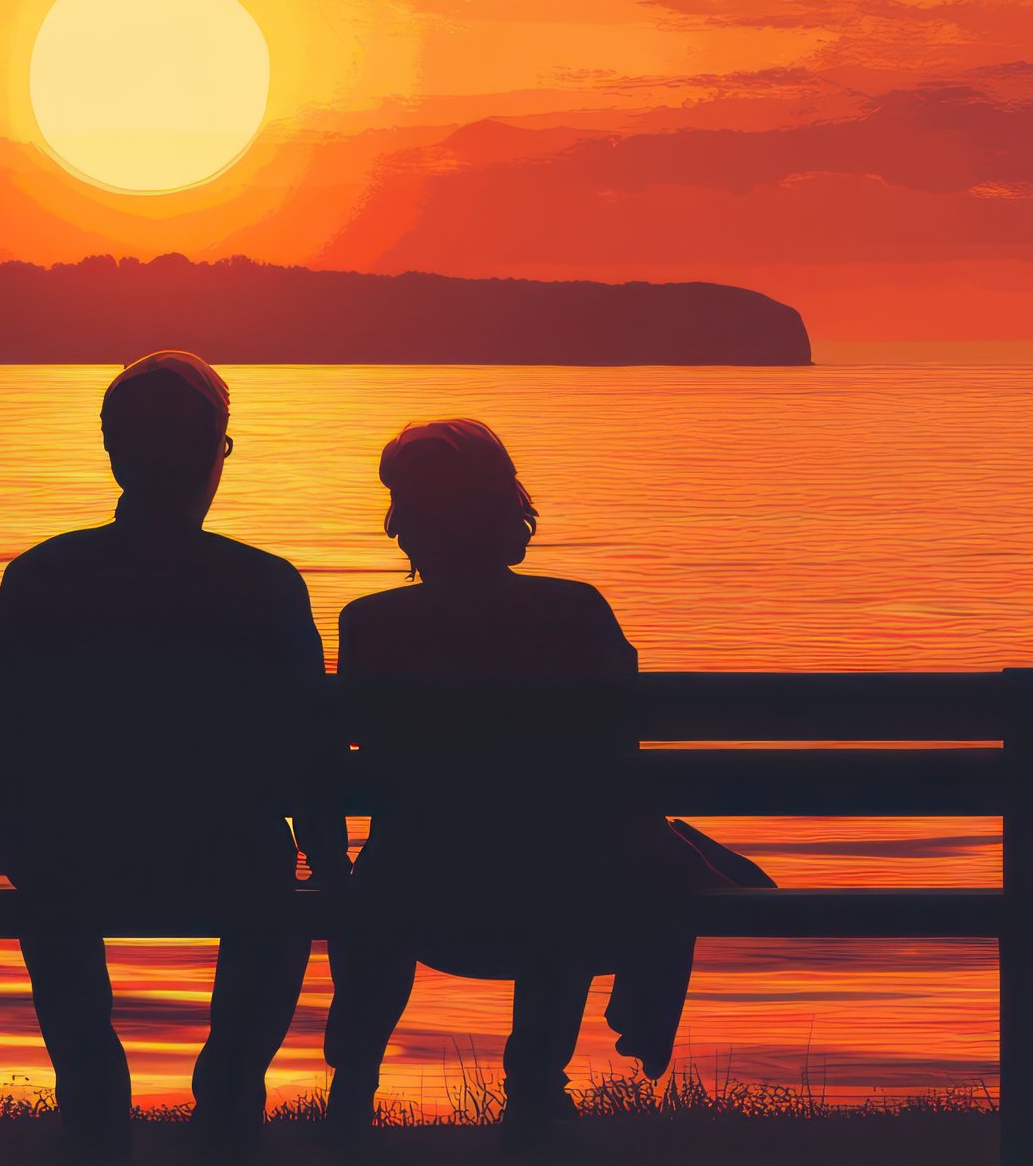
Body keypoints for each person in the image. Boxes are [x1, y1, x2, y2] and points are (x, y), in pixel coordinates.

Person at [321, 419, 772, 1128]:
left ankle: (352, 1085)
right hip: (565, 890)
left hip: (415, 886)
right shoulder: (574, 608)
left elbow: (362, 755)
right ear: (507, 511)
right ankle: (535, 1079)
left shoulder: (371, 622)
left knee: (415, 867)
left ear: (406, 520)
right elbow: (619, 744)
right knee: (576, 844)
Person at [0, 351, 346, 1146]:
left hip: (75, 855)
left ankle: (95, 1096)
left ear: (113, 450)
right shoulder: (266, 584)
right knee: (276, 896)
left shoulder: (43, 575)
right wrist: (331, 863)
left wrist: (13, 846)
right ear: (215, 454)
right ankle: (231, 1086)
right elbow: (309, 745)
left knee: (53, 891)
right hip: (232, 855)